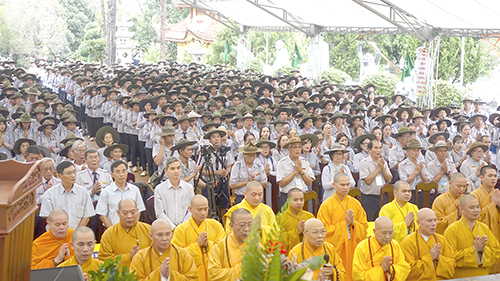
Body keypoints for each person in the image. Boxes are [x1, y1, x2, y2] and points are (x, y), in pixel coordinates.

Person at [317, 173, 368, 281]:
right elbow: (322, 231)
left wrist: (353, 224)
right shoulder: (326, 205)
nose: (345, 187)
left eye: (348, 184)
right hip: (336, 249)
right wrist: (344, 225)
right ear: (334, 185)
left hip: (353, 246)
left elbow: (364, 227)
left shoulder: (356, 203)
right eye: (342, 185)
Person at [444, 194, 500, 278]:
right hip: (461, 277)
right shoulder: (452, 230)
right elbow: (449, 257)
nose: (476, 210)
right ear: (461, 209)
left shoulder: (484, 228)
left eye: (478, 207)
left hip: (483, 276)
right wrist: (474, 249)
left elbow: (496, 251)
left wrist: (481, 252)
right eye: (471, 207)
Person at [171, 195, 226, 281]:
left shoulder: (215, 225)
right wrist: (197, 246)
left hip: (213, 274)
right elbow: (176, 255)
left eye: (205, 209)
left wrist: (209, 244)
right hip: (192, 275)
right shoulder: (181, 229)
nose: (203, 213)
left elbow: (224, 249)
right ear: (190, 209)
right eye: (199, 210)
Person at [130, 219, 198, 281]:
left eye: (168, 234)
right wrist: (159, 273)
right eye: (160, 235)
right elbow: (134, 279)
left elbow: (193, 278)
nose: (165, 238)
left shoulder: (183, 254)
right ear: (151, 236)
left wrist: (170, 275)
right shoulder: (140, 257)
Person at [400, 208, 456, 280]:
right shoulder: (408, 242)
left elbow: (452, 264)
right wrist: (430, 257)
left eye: (435, 220)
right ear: (419, 223)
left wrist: (439, 257)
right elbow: (407, 269)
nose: (433, 224)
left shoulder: (441, 239)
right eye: (429, 221)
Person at [40, 161, 95, 229]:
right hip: (56, 233)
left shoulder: (83, 192)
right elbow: (48, 218)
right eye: (69, 173)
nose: (73, 175)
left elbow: (87, 216)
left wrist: (75, 234)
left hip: (77, 234)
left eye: (74, 172)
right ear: (60, 176)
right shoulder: (49, 194)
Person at [352, 216, 410, 281]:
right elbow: (358, 276)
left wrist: (390, 269)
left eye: (391, 233)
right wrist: (381, 269)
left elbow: (404, 268)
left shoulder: (395, 245)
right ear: (374, 231)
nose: (388, 237)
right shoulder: (362, 247)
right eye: (384, 233)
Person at [98, 198, 152, 267]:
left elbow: (156, 254)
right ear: (118, 213)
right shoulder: (109, 234)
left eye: (133, 212)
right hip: (120, 276)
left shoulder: (148, 230)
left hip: (144, 274)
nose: (129, 216)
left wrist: (142, 256)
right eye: (125, 213)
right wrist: (128, 257)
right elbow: (103, 261)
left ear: (137, 211)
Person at [96, 160, 145, 227]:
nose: (121, 174)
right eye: (118, 172)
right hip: (113, 229)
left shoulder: (135, 189)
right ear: (112, 175)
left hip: (132, 229)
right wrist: (113, 231)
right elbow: (102, 215)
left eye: (124, 171)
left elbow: (139, 211)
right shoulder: (106, 192)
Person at [208, 209, 252, 281]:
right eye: (242, 225)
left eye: (250, 225)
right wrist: (241, 267)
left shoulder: (256, 246)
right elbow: (214, 276)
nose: (247, 229)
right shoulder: (219, 247)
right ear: (231, 226)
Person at [471, 165, 500, 273]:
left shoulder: (497, 194)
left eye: (495, 176)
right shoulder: (475, 195)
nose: (493, 178)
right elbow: (474, 217)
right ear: (481, 177)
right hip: (482, 236)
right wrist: (493, 204)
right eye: (490, 176)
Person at [155, 156, 195, 230]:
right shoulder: (159, 189)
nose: (176, 171)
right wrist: (173, 228)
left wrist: (182, 227)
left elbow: (191, 210)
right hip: (166, 229)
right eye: (172, 169)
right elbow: (159, 213)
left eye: (178, 168)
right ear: (166, 171)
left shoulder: (189, 188)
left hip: (186, 228)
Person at [276, 135, 315, 208]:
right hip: (287, 197)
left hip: (302, 196)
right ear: (288, 148)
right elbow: (281, 183)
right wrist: (295, 172)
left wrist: (301, 172)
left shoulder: (305, 162)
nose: (298, 149)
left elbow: (309, 182)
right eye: (294, 147)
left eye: (299, 147)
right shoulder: (282, 163)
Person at [359, 140, 393, 221]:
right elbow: (367, 181)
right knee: (369, 221)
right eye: (376, 148)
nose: (378, 150)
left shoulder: (383, 162)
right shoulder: (364, 163)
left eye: (380, 148)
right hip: (369, 198)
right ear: (369, 149)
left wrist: (383, 169)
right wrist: (378, 169)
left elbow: (389, 180)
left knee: (382, 221)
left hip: (382, 196)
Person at [398, 138, 430, 205]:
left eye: (418, 150)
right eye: (413, 150)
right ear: (408, 151)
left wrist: (421, 172)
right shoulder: (402, 165)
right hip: (410, 192)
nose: (416, 152)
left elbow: (427, 180)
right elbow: (404, 182)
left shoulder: (421, 164)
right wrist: (416, 172)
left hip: (422, 192)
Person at [282, 188, 315, 253]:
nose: (299, 203)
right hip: (288, 255)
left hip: (307, 253)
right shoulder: (281, 218)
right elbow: (278, 240)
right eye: (295, 200)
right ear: (288, 201)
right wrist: (296, 232)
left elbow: (315, 236)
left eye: (301, 199)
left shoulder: (310, 216)